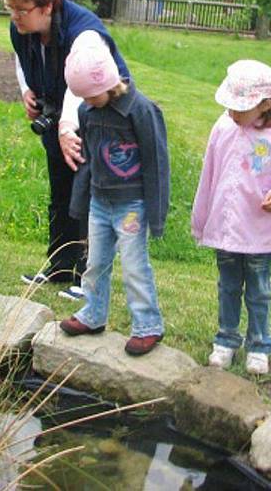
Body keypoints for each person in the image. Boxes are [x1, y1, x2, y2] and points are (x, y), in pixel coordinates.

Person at [3, 0, 130, 300]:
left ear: (47, 6)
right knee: (61, 195)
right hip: (60, 118)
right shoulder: (23, 27)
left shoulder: (85, 33)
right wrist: (26, 91)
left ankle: (89, 278)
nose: (15, 17)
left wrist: (67, 127)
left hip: (100, 117)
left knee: (89, 198)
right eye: (11, 9)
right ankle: (60, 267)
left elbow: (80, 84)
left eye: (21, 10)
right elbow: (20, 58)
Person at [191, 60, 271, 375]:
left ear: (265, 104)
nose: (233, 113)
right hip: (225, 227)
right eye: (230, 106)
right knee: (228, 285)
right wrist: (201, 219)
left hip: (259, 231)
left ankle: (258, 345)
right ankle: (226, 339)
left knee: (259, 289)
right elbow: (209, 175)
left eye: (240, 108)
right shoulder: (223, 128)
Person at [58, 32, 170, 356]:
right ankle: (92, 314)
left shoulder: (142, 111)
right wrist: (81, 201)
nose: (87, 103)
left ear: (108, 84)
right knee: (95, 262)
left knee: (135, 265)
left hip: (132, 205)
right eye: (83, 99)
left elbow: (157, 163)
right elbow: (89, 162)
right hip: (99, 202)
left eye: (91, 97)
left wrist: (157, 213)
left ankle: (148, 325)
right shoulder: (88, 112)